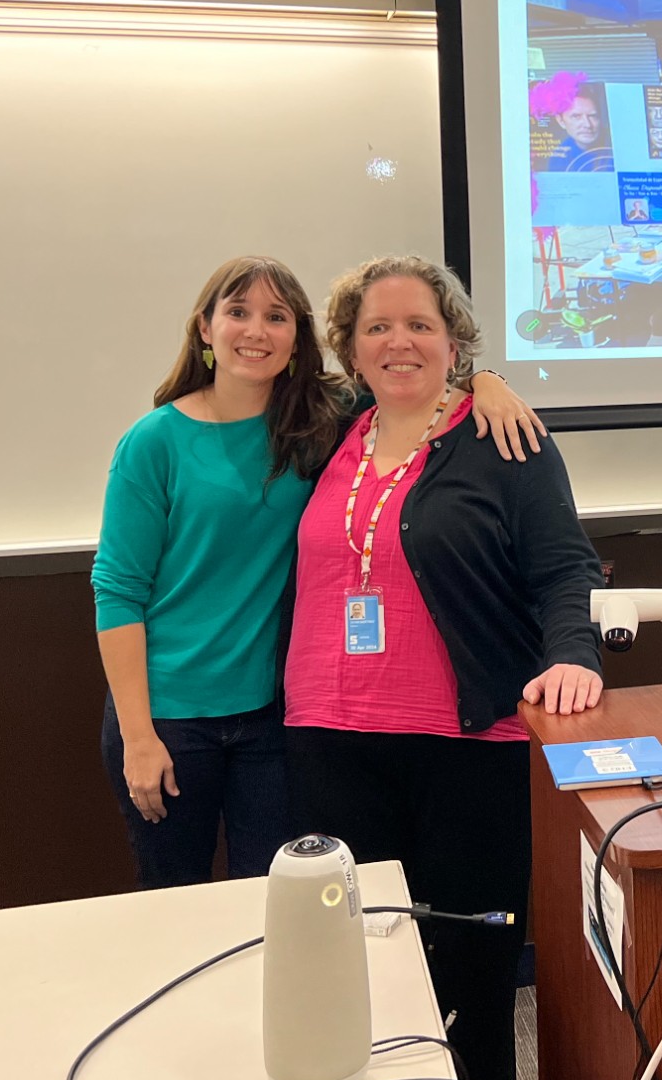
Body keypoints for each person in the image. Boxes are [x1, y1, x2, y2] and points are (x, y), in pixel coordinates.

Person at [92, 256, 543, 892]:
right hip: (169, 719)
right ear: (204, 329)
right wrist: (138, 737)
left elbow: (411, 372)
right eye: (239, 313)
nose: (257, 331)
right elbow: (116, 591)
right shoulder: (154, 441)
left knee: (278, 906)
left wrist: (488, 382)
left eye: (277, 317)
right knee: (177, 905)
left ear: (298, 337)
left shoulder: (318, 421)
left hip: (272, 720)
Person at [284, 255, 603, 1080]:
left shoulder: (504, 439)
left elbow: (564, 569)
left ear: (454, 342)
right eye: (377, 327)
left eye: (420, 324)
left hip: (466, 745)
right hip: (329, 739)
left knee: (471, 973)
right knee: (360, 968)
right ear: (350, 350)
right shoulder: (328, 437)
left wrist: (573, 653)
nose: (399, 341)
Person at [532, 70, 614, 173]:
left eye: (593, 116)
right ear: (561, 121)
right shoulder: (559, 158)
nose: (587, 124)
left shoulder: (616, 150)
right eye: (576, 116)